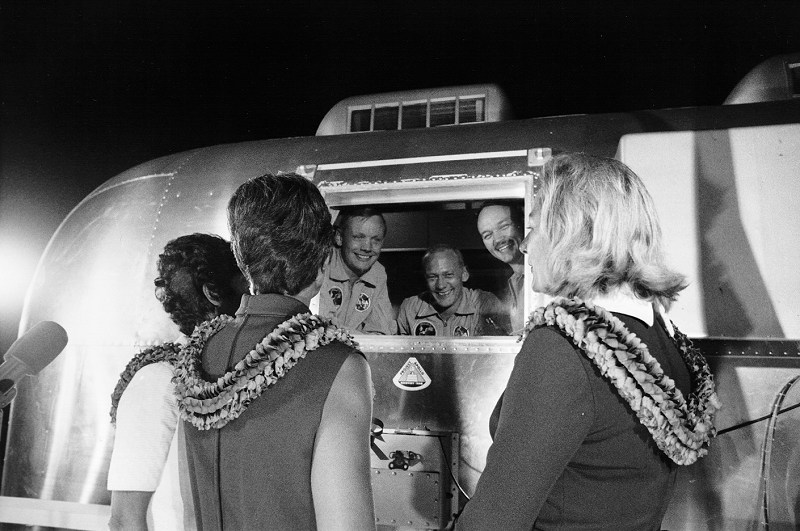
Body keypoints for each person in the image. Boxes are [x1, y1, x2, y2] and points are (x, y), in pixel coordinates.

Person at [457, 153, 721, 530]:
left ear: (573, 233)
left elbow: (492, 521)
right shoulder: (661, 337)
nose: (526, 244)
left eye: (535, 226)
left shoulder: (562, 347)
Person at [180, 173, 375, 530]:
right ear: (323, 262)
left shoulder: (196, 357)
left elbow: (191, 517)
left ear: (242, 259)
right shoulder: (337, 364)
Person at [108, 233, 248, 530]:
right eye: (244, 285)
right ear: (213, 293)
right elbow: (125, 521)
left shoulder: (238, 373)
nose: (252, 298)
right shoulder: (158, 380)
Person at [396, 245, 509, 336]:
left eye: (448, 275)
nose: (441, 285)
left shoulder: (484, 303)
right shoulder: (410, 308)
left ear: (464, 274)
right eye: (432, 277)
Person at [318, 206, 394, 334]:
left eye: (376, 240)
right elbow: (323, 328)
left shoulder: (378, 273)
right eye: (358, 237)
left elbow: (381, 333)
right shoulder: (322, 266)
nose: (367, 248)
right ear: (339, 237)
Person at [476, 201, 530, 333]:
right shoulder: (515, 281)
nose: (497, 239)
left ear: (522, 223)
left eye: (504, 226)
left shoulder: (544, 277)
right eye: (488, 235)